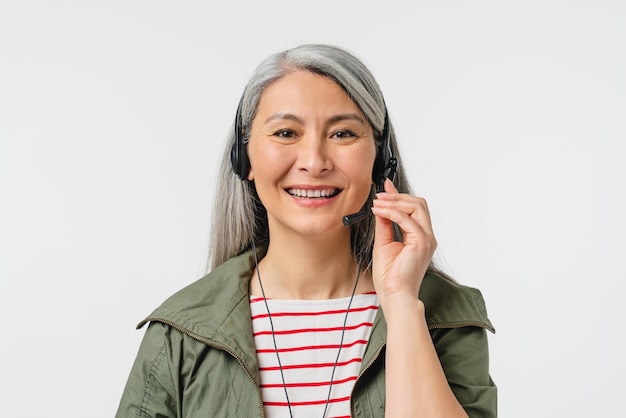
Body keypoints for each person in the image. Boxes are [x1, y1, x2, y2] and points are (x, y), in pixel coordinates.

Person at [116, 44, 497, 418]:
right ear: (243, 157)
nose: (314, 162)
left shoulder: (442, 316)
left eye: (343, 133)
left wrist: (400, 304)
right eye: (285, 133)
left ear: (379, 159)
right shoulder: (180, 334)